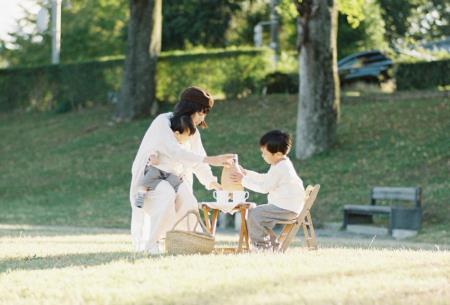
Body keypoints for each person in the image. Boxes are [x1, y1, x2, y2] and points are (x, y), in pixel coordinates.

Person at [130, 86, 233, 254]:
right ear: (191, 109)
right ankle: (152, 243)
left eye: (205, 113)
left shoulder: (193, 131)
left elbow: (198, 158)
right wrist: (211, 160)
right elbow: (175, 152)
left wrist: (212, 181)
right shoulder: (163, 122)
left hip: (175, 178)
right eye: (201, 112)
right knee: (166, 195)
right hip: (153, 177)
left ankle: (183, 243)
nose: (203, 117)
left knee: (189, 202)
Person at [231, 130, 305, 251]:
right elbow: (265, 178)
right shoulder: (280, 164)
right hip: (287, 206)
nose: (263, 156)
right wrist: (247, 174)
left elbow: (264, 188)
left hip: (287, 208)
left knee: (255, 214)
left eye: (265, 154)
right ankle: (272, 246)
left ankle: (262, 246)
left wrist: (243, 181)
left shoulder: (281, 168)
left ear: (278, 154)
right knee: (259, 216)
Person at [133, 115, 196, 208]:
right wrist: (153, 156)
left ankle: (177, 202)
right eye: (187, 136)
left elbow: (183, 162)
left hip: (171, 173)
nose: (189, 139)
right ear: (177, 134)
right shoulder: (165, 140)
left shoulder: (183, 146)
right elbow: (153, 147)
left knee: (179, 184)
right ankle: (140, 195)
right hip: (157, 168)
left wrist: (182, 172)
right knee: (146, 180)